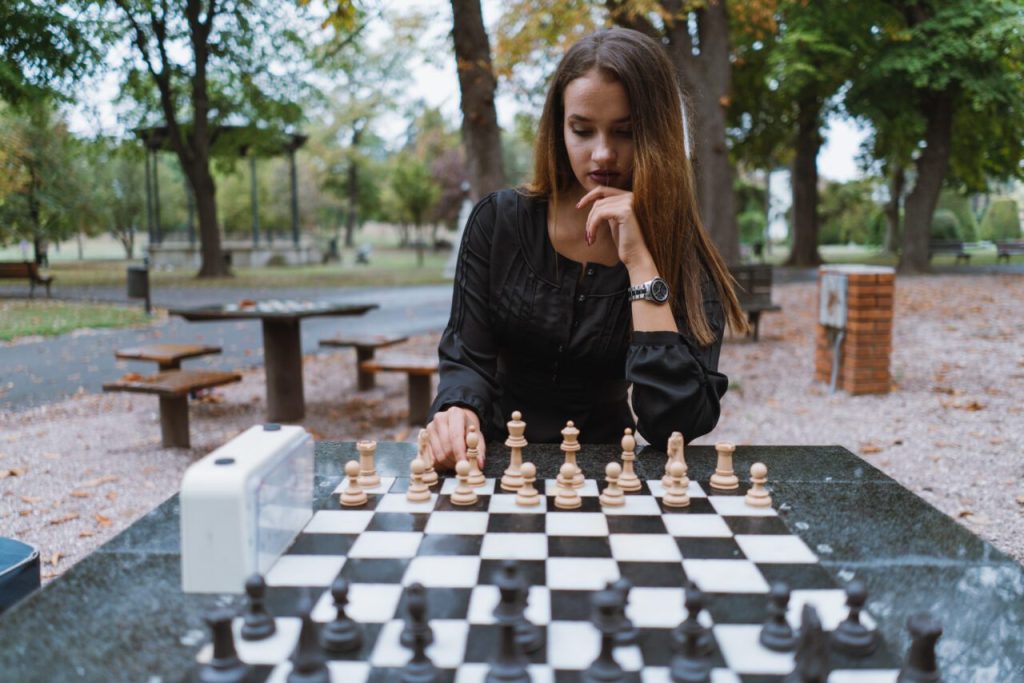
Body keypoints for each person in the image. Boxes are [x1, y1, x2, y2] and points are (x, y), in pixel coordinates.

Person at [425, 28, 748, 470]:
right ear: (559, 129)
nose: (602, 154)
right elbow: (467, 358)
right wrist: (457, 409)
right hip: (494, 462)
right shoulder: (497, 221)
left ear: (658, 135)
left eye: (625, 132)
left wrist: (639, 264)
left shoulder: (683, 252)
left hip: (613, 473)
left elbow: (674, 422)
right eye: (582, 130)